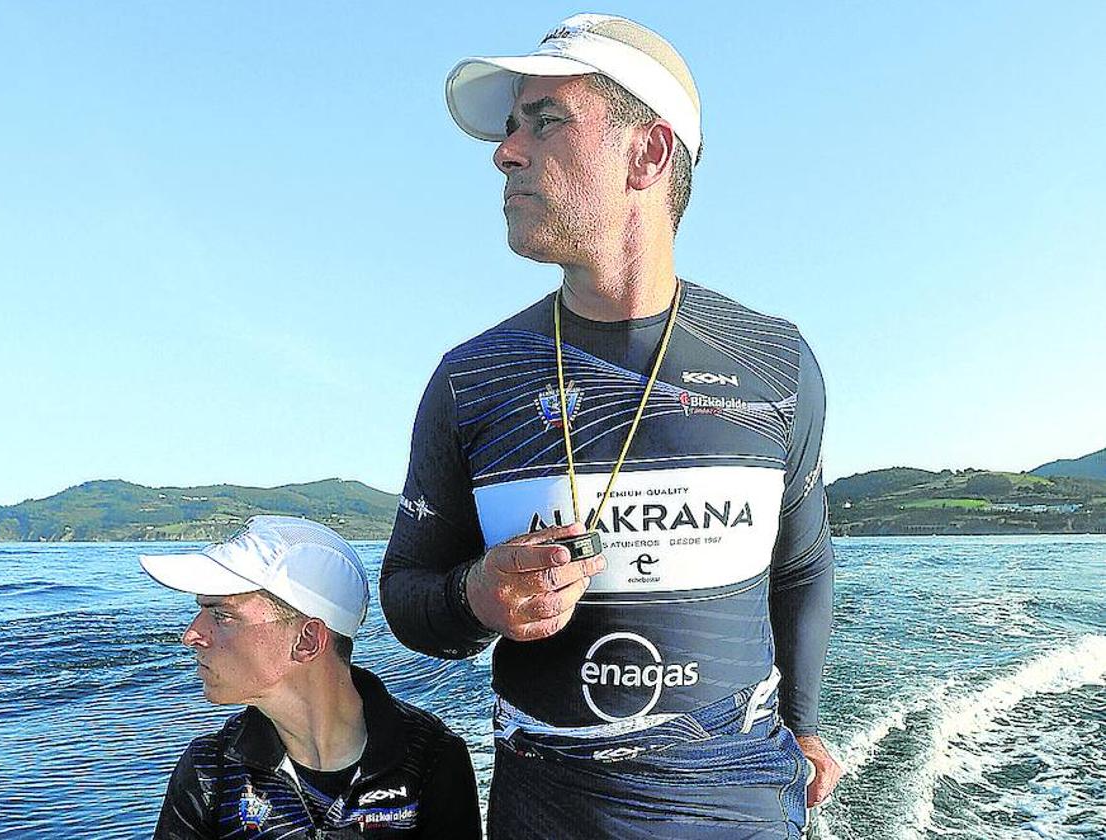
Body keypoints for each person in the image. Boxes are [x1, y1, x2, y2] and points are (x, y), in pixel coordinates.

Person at [380, 13, 841, 839]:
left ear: (650, 153)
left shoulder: (776, 363)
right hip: (544, 815)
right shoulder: (472, 379)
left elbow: (802, 568)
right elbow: (409, 597)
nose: (505, 151)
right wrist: (477, 595)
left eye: (544, 120)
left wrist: (804, 722)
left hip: (740, 811)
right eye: (511, 126)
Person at [140, 515, 481, 839]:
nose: (192, 634)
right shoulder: (209, 770)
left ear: (306, 641)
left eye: (222, 615)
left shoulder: (432, 760)